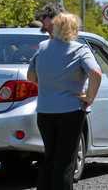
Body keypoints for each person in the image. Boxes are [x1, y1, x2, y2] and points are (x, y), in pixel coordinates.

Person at [27, 12, 102, 190]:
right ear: (74, 29)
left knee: (49, 158)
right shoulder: (79, 49)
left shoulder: (43, 47)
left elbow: (31, 76)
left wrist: (47, 84)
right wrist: (89, 97)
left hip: (45, 112)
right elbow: (96, 73)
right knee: (65, 161)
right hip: (71, 111)